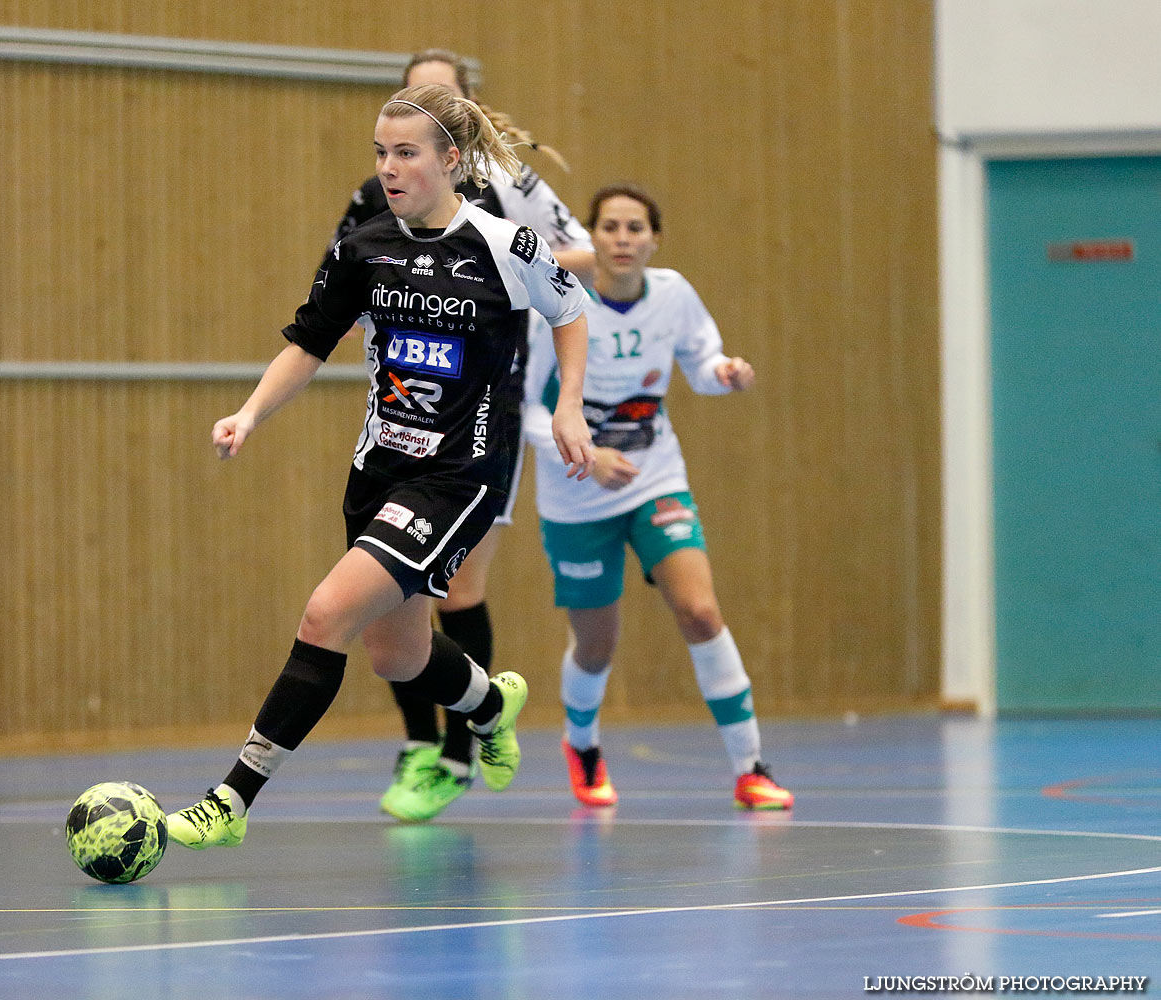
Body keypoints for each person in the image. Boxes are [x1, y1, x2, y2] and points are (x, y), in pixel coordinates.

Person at [165, 84, 596, 850]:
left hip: (459, 476)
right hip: (379, 471)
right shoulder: (364, 248)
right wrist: (250, 414)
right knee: (398, 657)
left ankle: (231, 799)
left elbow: (570, 310)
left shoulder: (506, 245)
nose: (389, 168)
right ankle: (492, 708)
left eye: (406, 153)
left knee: (325, 615)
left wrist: (567, 409)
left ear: (450, 161)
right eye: (380, 152)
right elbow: (307, 344)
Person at [331, 48, 596, 823]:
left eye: (438, 100)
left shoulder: (508, 193)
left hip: (485, 413)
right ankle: (421, 744)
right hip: (401, 417)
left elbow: (573, 262)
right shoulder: (377, 197)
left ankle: (460, 744)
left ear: (462, 123)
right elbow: (338, 281)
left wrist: (503, 261)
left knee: (457, 588)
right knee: (387, 594)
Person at [523, 183, 794, 811]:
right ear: (592, 237)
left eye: (635, 228)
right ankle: (582, 745)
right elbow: (525, 411)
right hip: (577, 495)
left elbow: (702, 365)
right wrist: (588, 456)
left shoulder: (673, 296)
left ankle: (751, 767)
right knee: (597, 642)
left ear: (654, 239)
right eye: (611, 228)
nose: (623, 240)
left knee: (699, 611)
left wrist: (726, 375)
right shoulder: (558, 304)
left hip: (655, 478)